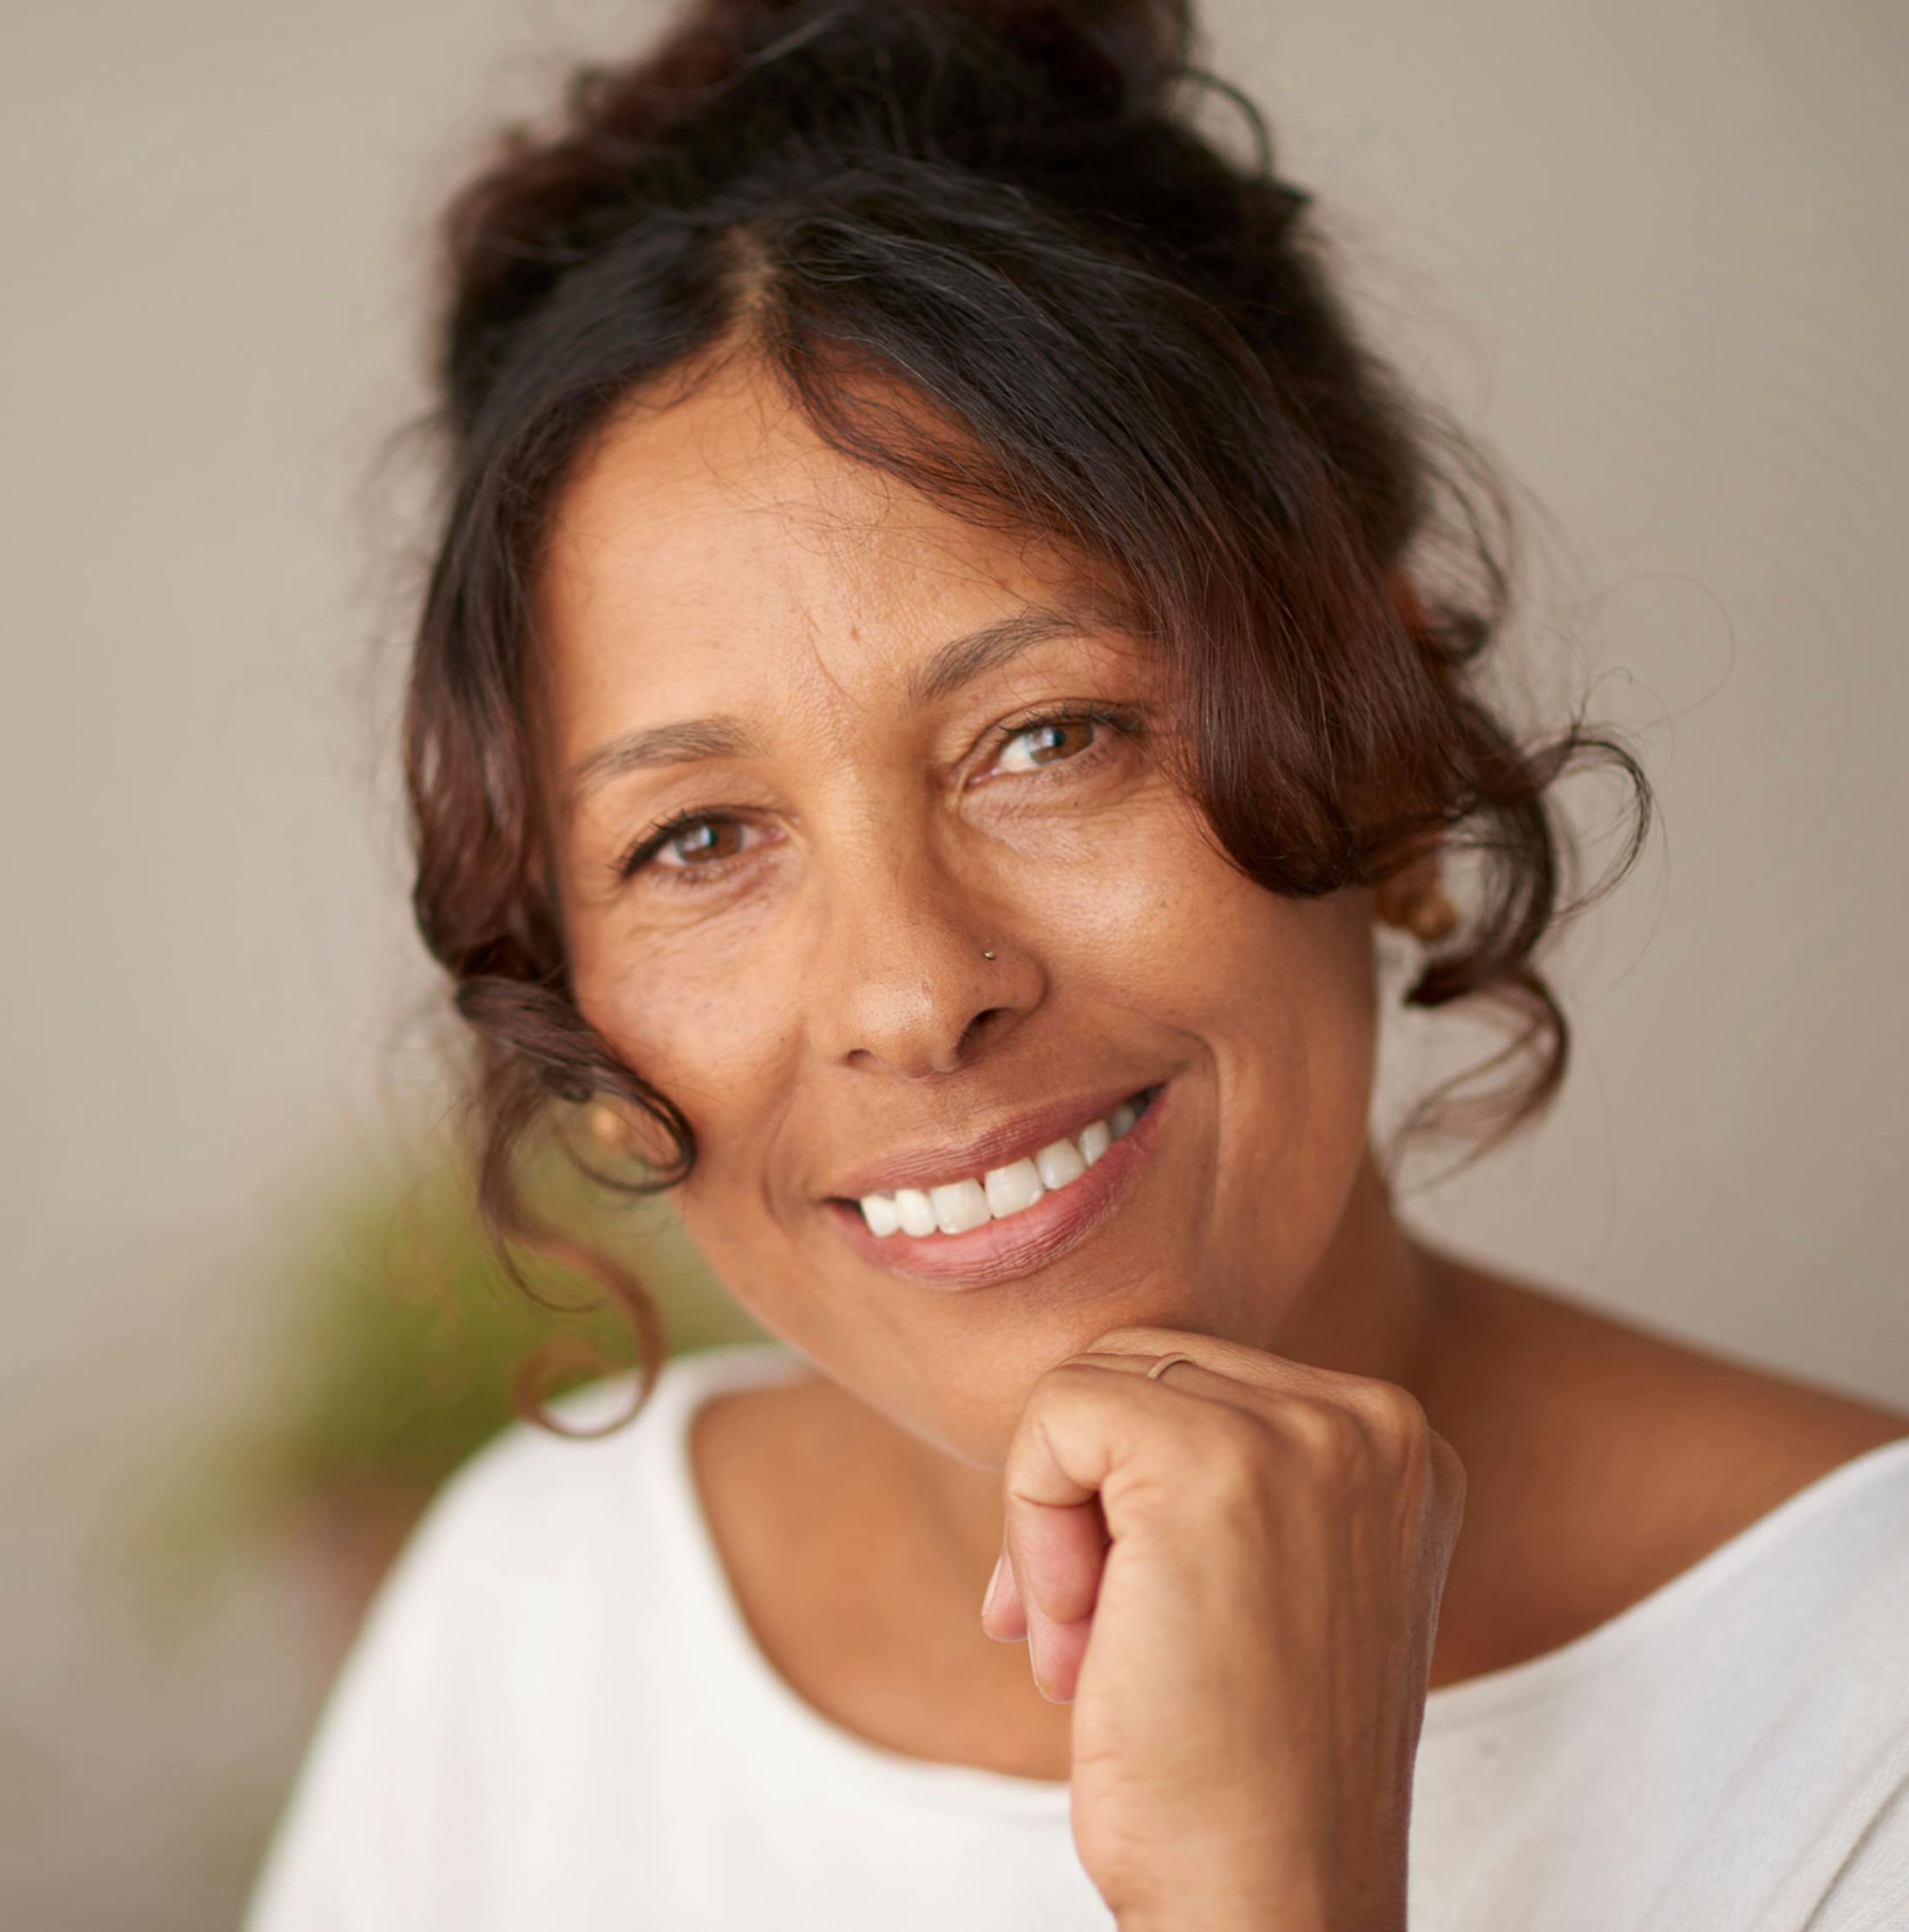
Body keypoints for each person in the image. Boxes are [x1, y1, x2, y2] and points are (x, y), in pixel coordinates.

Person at [244, 2, 1909, 1927]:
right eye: (694, 839)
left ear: (1379, 743)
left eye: (1049, 738)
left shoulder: (1856, 1705)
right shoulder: (543, 1611)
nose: (907, 991)